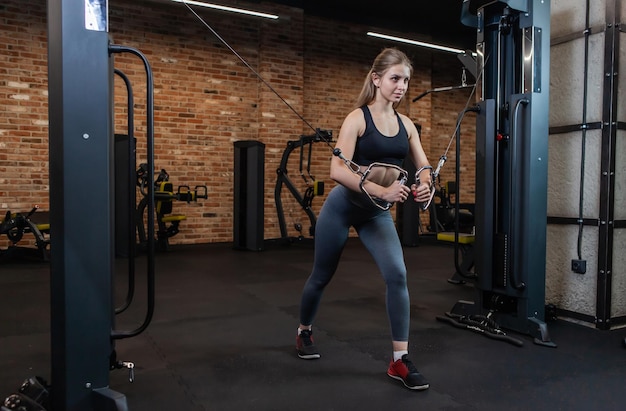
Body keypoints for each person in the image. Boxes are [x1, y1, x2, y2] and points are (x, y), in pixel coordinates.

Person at [295, 47, 433, 391]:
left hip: (375, 215)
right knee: (321, 276)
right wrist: (383, 192)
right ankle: (303, 331)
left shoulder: (406, 126)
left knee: (397, 275)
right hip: (343, 207)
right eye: (395, 78)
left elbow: (424, 167)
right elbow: (336, 169)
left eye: (406, 80)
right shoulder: (358, 118)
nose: (401, 86)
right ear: (377, 79)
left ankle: (399, 359)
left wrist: (426, 186)